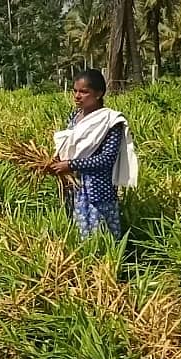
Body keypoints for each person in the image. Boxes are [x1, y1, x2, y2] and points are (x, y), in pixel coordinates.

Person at [49, 69, 138, 240]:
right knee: (76, 231)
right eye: (75, 91)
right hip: (74, 185)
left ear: (99, 94)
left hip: (98, 188)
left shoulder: (111, 121)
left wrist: (70, 165)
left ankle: (107, 265)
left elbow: (106, 160)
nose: (77, 96)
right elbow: (71, 146)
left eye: (84, 91)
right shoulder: (75, 116)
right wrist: (57, 160)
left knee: (101, 235)